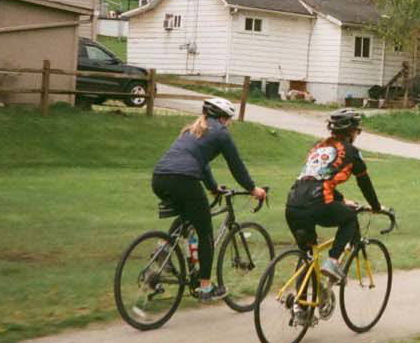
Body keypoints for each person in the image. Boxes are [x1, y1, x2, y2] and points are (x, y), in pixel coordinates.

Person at [152, 97, 267, 301]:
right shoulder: (221, 133)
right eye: (229, 119)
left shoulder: (192, 131)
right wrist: (252, 189)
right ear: (222, 118)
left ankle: (163, 249)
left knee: (189, 215)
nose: (229, 123)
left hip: (160, 178)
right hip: (184, 180)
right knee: (205, 232)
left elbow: (201, 163)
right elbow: (236, 165)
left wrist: (213, 188)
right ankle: (205, 288)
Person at [286, 108, 384, 283]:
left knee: (307, 255)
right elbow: (364, 183)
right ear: (351, 132)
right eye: (356, 130)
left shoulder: (317, 147)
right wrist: (376, 207)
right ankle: (332, 262)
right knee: (350, 219)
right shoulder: (352, 152)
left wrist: (341, 200)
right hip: (317, 204)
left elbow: (318, 179)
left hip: (293, 202)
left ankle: (299, 306)